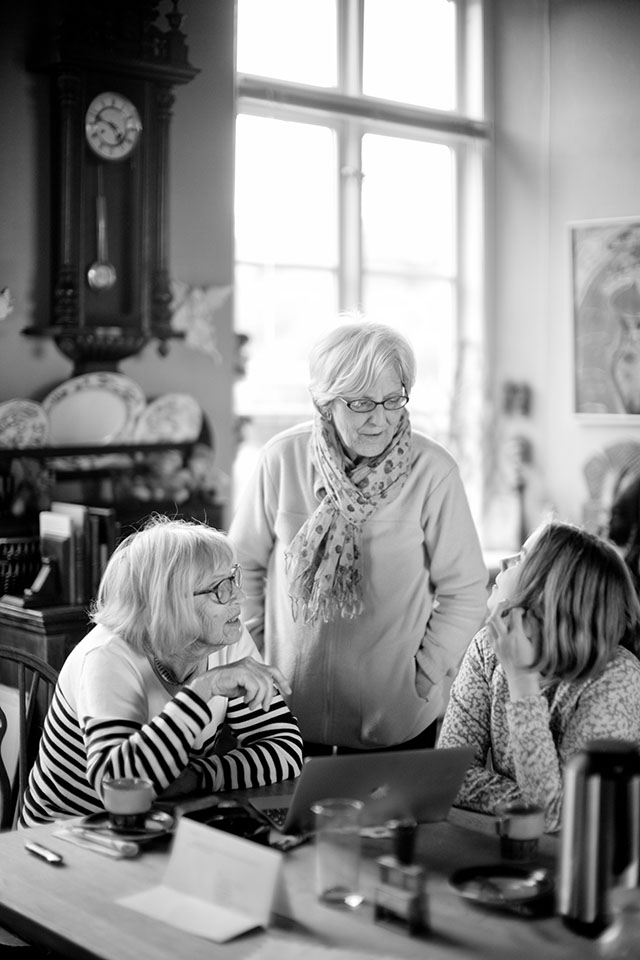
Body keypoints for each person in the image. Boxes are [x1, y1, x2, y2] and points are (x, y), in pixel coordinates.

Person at [228, 320, 488, 753]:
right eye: (362, 403)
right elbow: (240, 568)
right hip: (283, 717)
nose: (381, 419)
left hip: (395, 723)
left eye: (392, 400)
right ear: (326, 402)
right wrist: (256, 651)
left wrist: (423, 674)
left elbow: (465, 590)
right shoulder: (280, 460)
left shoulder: (433, 472)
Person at [20, 517, 303, 827]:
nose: (239, 596)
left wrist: (200, 777)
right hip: (69, 840)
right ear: (170, 603)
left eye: (234, 579)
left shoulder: (224, 636)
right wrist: (202, 690)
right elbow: (117, 788)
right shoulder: (107, 657)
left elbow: (284, 747)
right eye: (220, 588)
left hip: (156, 826)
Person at [437, 520, 640, 832]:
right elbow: (449, 773)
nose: (505, 562)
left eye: (521, 557)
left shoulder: (616, 677)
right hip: (520, 842)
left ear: (551, 591)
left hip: (602, 857)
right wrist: (532, 801)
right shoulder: (487, 647)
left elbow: (557, 816)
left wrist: (521, 680)